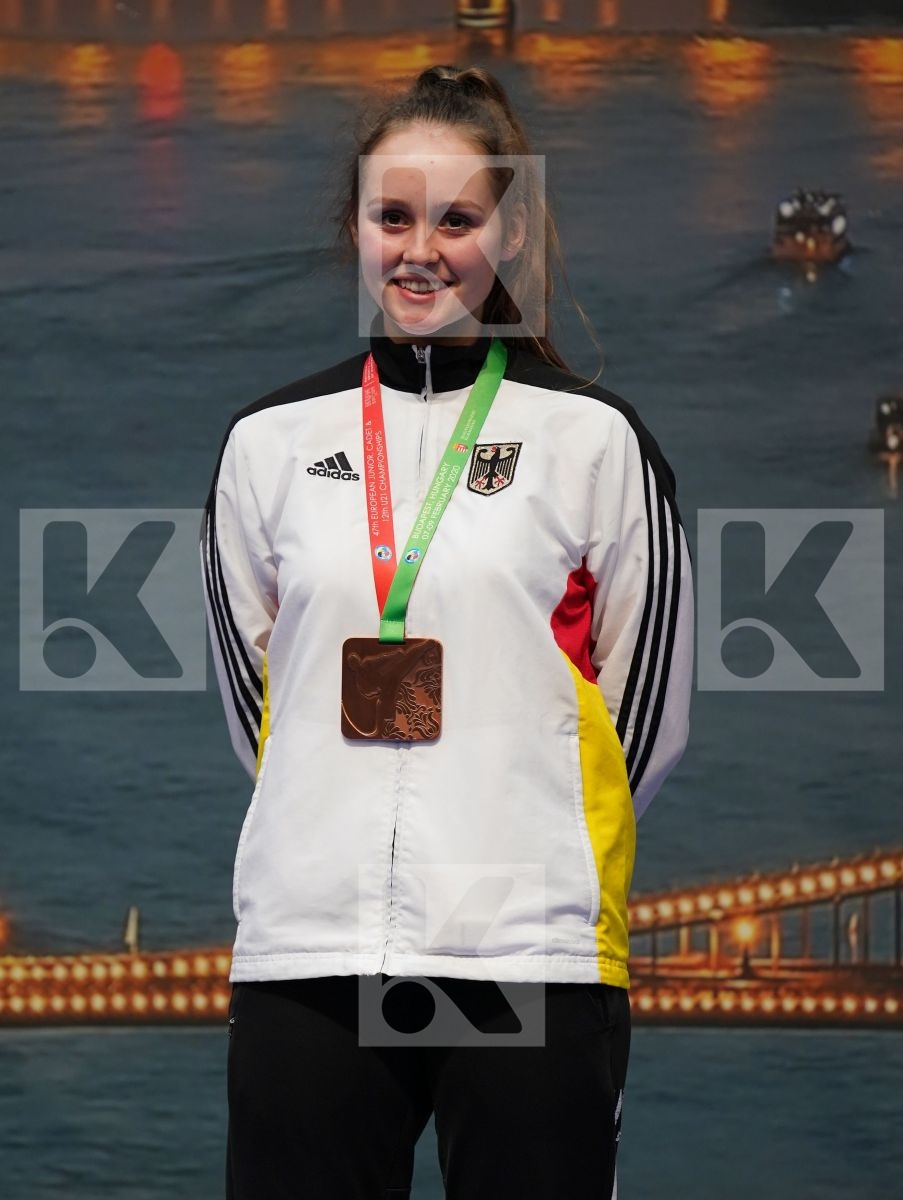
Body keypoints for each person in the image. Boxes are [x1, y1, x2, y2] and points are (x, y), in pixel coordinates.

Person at [200, 63, 694, 1200]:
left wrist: (532, 847)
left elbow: (646, 720)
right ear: (358, 231)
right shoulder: (267, 445)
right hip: (310, 949)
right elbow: (260, 711)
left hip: (525, 947)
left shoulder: (594, 442)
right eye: (395, 216)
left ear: (508, 233)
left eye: (457, 219)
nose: (423, 249)